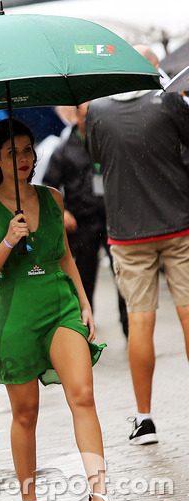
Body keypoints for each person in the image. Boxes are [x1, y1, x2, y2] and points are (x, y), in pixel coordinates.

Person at [0, 118, 125, 501]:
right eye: (11, 152)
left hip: (59, 305)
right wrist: (8, 240)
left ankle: (100, 496)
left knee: (84, 396)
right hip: (14, 312)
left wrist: (85, 303)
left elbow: (67, 257)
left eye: (26, 149)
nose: (22, 158)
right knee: (26, 414)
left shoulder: (52, 197)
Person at [86, 45, 189, 446]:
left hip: (128, 232)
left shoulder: (97, 111)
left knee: (140, 322)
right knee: (187, 315)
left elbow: (96, 156)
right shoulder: (167, 102)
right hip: (179, 222)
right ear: (152, 70)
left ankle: (144, 418)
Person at [42, 104, 129, 338]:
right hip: (82, 224)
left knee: (124, 276)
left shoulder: (109, 142)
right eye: (86, 116)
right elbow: (47, 187)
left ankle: (131, 330)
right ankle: (83, 331)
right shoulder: (63, 149)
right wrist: (62, 213)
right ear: (77, 117)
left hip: (112, 220)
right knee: (83, 278)